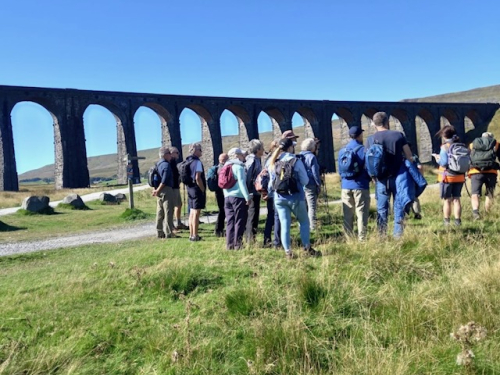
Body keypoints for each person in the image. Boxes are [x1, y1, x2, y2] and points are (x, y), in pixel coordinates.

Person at [268, 138, 321, 259]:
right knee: (303, 222)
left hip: (279, 197)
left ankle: (288, 252)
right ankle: (307, 247)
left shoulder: (273, 161)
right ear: (290, 147)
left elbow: (271, 184)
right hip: (295, 197)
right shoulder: (296, 161)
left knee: (285, 224)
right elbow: (305, 180)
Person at [371, 112, 414, 237]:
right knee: (398, 207)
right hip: (398, 177)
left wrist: (374, 177)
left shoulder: (371, 139)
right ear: (387, 122)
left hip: (381, 179)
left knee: (382, 209)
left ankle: (381, 236)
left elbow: (369, 162)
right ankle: (398, 236)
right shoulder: (398, 135)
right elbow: (409, 156)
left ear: (374, 124)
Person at [339, 126, 371, 241]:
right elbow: (368, 167)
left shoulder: (343, 150)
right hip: (360, 185)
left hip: (345, 186)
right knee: (361, 213)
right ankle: (362, 239)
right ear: (359, 136)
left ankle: (349, 238)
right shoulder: (363, 150)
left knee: (348, 213)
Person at [434, 125, 465, 227]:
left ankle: (447, 221)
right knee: (456, 199)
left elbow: (443, 163)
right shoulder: (460, 145)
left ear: (444, 135)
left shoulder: (444, 147)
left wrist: (437, 158)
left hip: (447, 177)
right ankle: (458, 221)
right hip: (460, 176)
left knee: (447, 200)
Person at [223, 148, 250, 250]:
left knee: (230, 221)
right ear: (237, 155)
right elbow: (242, 183)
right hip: (238, 197)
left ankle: (229, 244)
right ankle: (238, 244)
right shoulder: (239, 167)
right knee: (239, 221)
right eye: (242, 155)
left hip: (227, 197)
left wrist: (226, 195)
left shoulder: (225, 166)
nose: (243, 157)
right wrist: (247, 197)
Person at [468, 132, 500, 220]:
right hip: (491, 172)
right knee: (489, 194)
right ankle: (487, 213)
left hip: (475, 171)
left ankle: (475, 213)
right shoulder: (496, 143)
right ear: (491, 137)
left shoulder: (472, 144)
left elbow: (468, 157)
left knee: (475, 193)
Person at [151, 146, 176, 238]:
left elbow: (154, 178)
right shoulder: (166, 165)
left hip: (159, 190)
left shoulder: (157, 164)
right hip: (166, 190)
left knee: (160, 211)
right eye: (169, 153)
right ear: (165, 155)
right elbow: (165, 180)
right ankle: (169, 233)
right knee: (168, 211)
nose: (171, 155)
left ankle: (159, 232)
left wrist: (155, 189)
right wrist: (158, 189)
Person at [245, 139, 264, 243]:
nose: (263, 150)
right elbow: (248, 177)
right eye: (262, 148)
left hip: (254, 192)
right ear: (258, 150)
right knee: (252, 216)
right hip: (252, 192)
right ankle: (250, 239)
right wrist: (248, 193)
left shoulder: (254, 160)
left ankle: (252, 237)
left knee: (254, 215)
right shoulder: (252, 161)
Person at [299, 138, 321, 230]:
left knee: (302, 207)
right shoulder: (312, 157)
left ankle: (302, 226)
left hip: (300, 184)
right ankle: (312, 227)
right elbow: (315, 172)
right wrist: (318, 184)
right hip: (310, 184)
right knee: (311, 207)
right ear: (312, 147)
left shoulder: (298, 156)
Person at [263, 139, 281, 248]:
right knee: (277, 217)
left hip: (270, 192)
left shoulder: (268, 160)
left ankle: (268, 239)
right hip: (275, 192)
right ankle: (276, 241)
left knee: (271, 216)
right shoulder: (275, 160)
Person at [186, 143, 206, 241]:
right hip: (196, 189)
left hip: (189, 189)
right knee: (196, 213)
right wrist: (202, 189)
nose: (201, 151)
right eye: (200, 150)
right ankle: (195, 235)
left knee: (192, 212)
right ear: (195, 151)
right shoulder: (197, 162)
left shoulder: (188, 161)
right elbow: (198, 178)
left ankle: (191, 234)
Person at [169, 147, 188, 230]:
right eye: (177, 153)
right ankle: (172, 225)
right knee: (172, 206)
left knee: (178, 204)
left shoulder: (173, 162)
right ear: (172, 153)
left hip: (176, 186)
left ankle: (178, 222)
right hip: (172, 187)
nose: (178, 154)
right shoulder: (170, 162)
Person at [213, 153, 228, 236]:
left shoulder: (218, 167)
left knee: (222, 210)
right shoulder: (222, 168)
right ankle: (218, 230)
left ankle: (219, 229)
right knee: (222, 210)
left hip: (218, 192)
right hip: (221, 192)